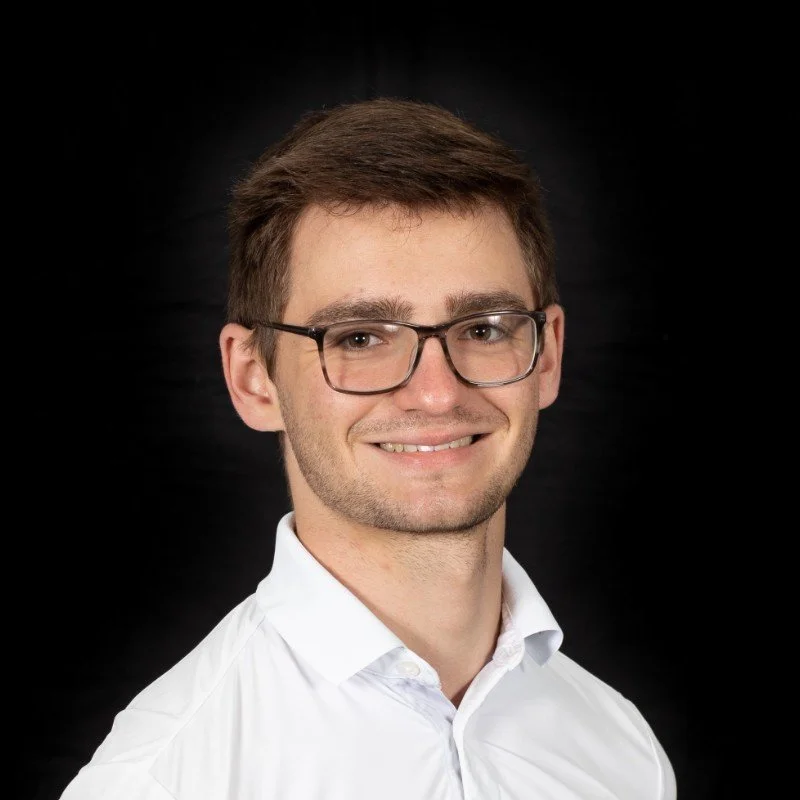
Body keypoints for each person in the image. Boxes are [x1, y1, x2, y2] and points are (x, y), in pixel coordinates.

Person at [60, 97, 676, 799]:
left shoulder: (621, 752)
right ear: (253, 379)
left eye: (483, 328)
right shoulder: (164, 778)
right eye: (359, 338)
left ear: (548, 356)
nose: (437, 395)